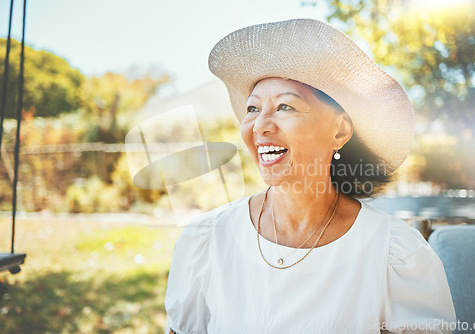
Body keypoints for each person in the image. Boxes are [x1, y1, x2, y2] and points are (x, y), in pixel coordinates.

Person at [164, 18, 456, 333]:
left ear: (340, 130)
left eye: (285, 107)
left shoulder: (395, 254)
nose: (261, 125)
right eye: (252, 108)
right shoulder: (206, 241)